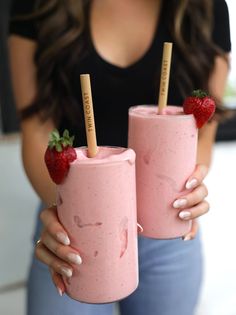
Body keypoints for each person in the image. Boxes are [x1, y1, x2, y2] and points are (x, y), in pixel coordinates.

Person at [8, 0, 231, 314]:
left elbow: (203, 130)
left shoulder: (206, 7)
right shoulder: (39, 6)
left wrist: (190, 189)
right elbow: (36, 129)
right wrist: (69, 213)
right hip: (76, 226)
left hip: (168, 224)